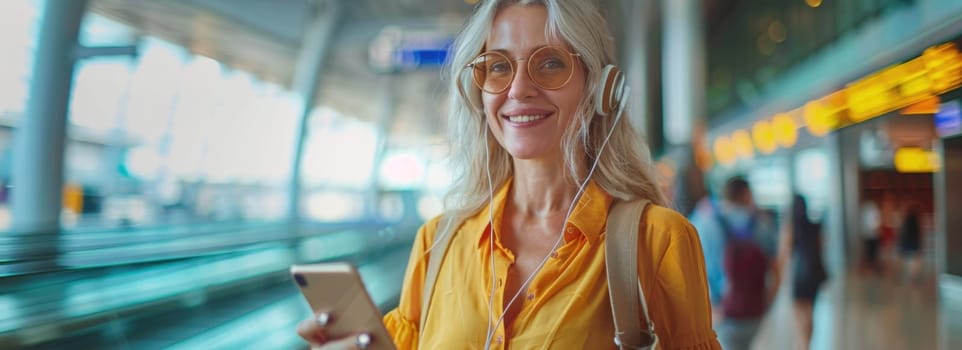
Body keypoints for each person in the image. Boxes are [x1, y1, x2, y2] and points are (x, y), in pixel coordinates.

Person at [296, 1, 720, 349]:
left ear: (599, 89)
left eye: (550, 63)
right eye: (498, 67)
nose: (518, 89)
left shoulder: (658, 240)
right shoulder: (437, 244)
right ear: (477, 92)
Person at [689, 177, 780, 350]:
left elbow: (691, 270)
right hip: (754, 309)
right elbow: (777, 268)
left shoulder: (703, 223)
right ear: (746, 194)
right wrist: (767, 301)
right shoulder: (762, 223)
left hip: (720, 311)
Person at [783, 194, 826, 350]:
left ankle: (802, 345)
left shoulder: (790, 228)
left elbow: (785, 254)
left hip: (798, 276)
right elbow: (821, 248)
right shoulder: (814, 226)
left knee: (798, 312)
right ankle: (807, 344)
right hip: (813, 274)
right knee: (810, 311)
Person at [899, 204, 922, 283]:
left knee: (909, 260)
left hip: (909, 242)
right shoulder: (914, 219)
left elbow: (904, 233)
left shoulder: (907, 219)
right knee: (913, 261)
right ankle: (912, 276)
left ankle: (910, 276)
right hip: (913, 242)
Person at [859, 198, 881, 275]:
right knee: (872, 252)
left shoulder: (865, 210)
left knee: (870, 252)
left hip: (868, 235)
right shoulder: (873, 210)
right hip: (872, 235)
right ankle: (871, 267)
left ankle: (871, 267)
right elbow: (875, 223)